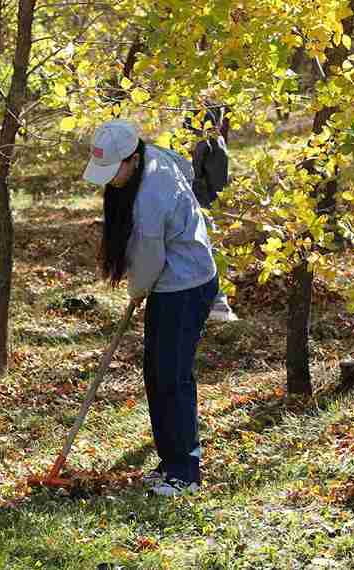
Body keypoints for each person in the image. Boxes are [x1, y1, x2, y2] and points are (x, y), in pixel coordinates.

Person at [83, 119, 218, 497]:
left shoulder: (149, 199)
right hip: (168, 282)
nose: (111, 180)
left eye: (114, 170)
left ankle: (185, 472)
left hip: (186, 285)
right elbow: (186, 169)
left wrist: (137, 291)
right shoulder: (151, 157)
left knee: (172, 376)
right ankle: (170, 461)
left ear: (132, 160)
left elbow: (148, 261)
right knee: (157, 373)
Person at [187, 105, 239, 322]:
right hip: (201, 203)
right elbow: (218, 182)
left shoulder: (181, 138)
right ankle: (219, 304)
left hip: (180, 201)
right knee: (211, 250)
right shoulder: (215, 142)